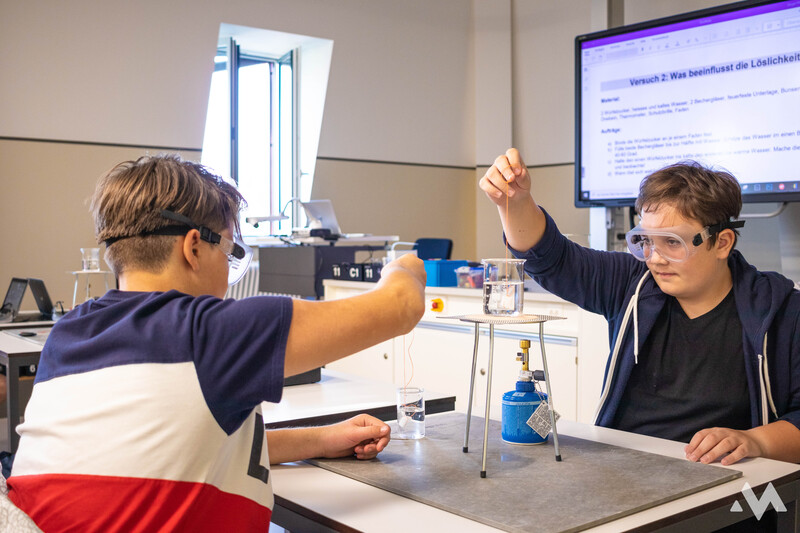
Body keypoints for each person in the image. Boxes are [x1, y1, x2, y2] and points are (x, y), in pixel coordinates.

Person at [6, 154, 426, 531]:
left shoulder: (67, 334)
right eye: (228, 253)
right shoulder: (210, 331)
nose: (227, 272)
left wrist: (322, 439)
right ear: (193, 247)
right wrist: (402, 265)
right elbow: (402, 306)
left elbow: (180, 446)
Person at [480, 148, 800, 468]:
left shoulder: (781, 311)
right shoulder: (632, 284)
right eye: (646, 241)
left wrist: (756, 441)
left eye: (672, 242)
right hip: (624, 470)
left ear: (722, 242)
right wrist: (515, 201)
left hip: (722, 477)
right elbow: (552, 258)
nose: (655, 259)